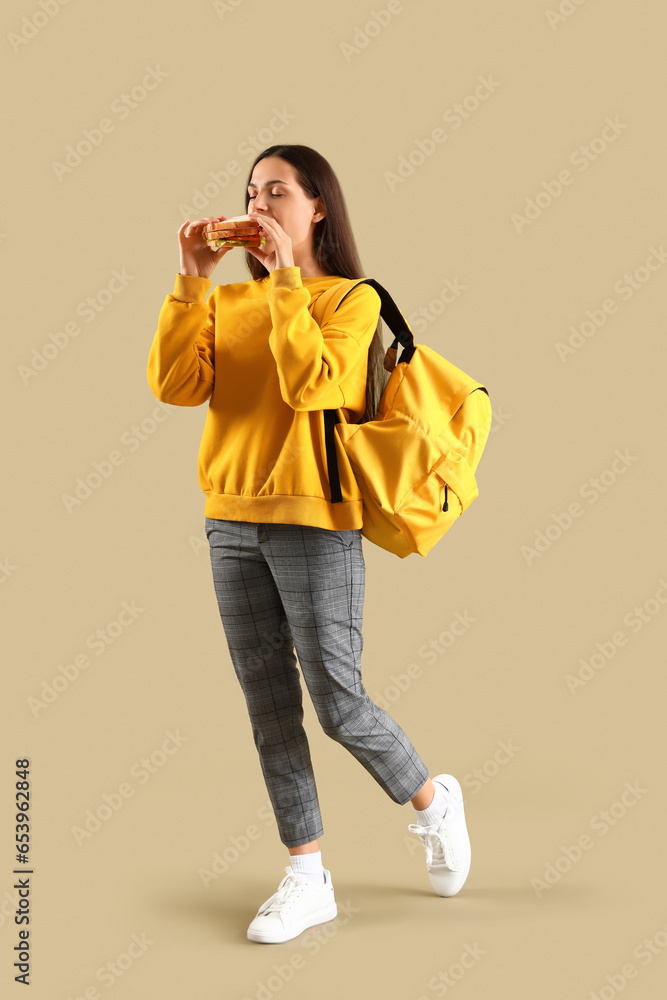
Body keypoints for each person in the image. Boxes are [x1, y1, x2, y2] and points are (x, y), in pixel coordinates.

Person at [146, 144, 471, 945]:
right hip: (229, 519)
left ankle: (430, 800)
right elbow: (173, 386)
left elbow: (309, 383)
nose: (259, 205)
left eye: (278, 192)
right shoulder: (225, 303)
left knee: (338, 703)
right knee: (268, 710)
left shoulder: (350, 300)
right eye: (251, 192)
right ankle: (305, 874)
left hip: (316, 521)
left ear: (317, 205)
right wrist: (192, 279)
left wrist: (285, 276)